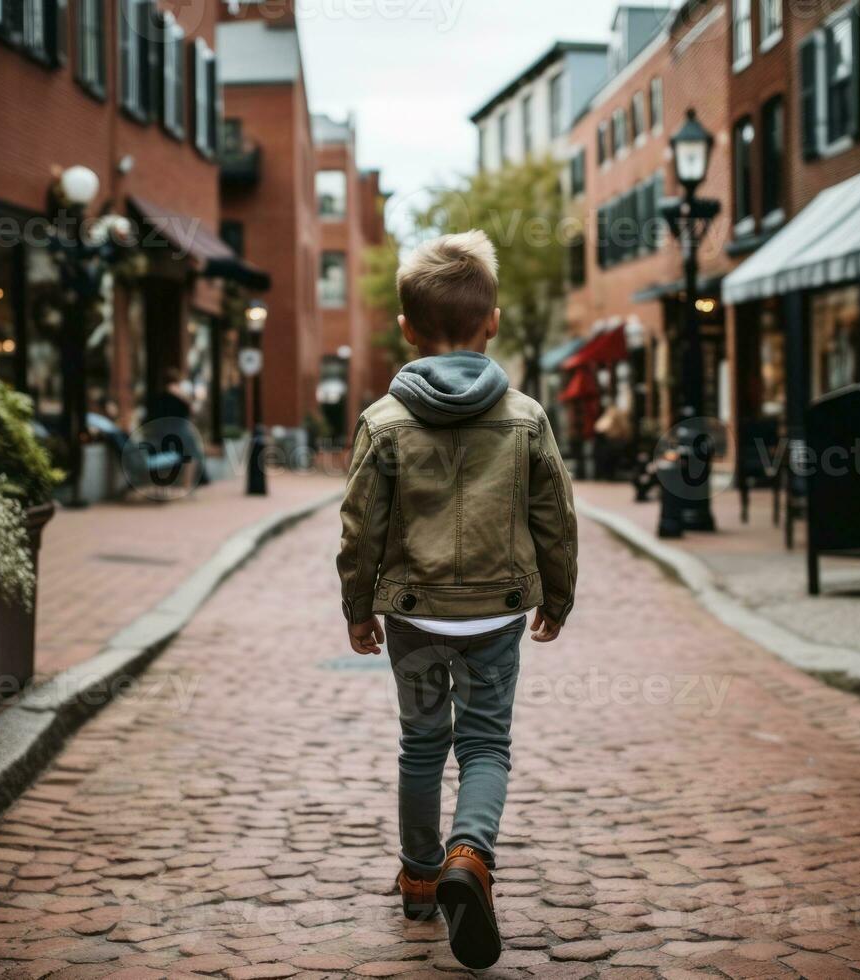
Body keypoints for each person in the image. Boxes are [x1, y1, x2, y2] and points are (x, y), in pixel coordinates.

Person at [336, 230, 579, 969]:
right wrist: (556, 597)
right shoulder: (526, 417)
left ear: (406, 328)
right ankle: (469, 856)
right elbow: (555, 520)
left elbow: (358, 529)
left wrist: (357, 606)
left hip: (412, 613)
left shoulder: (383, 421)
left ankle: (417, 873)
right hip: (496, 611)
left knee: (421, 742)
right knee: (482, 744)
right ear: (494, 322)